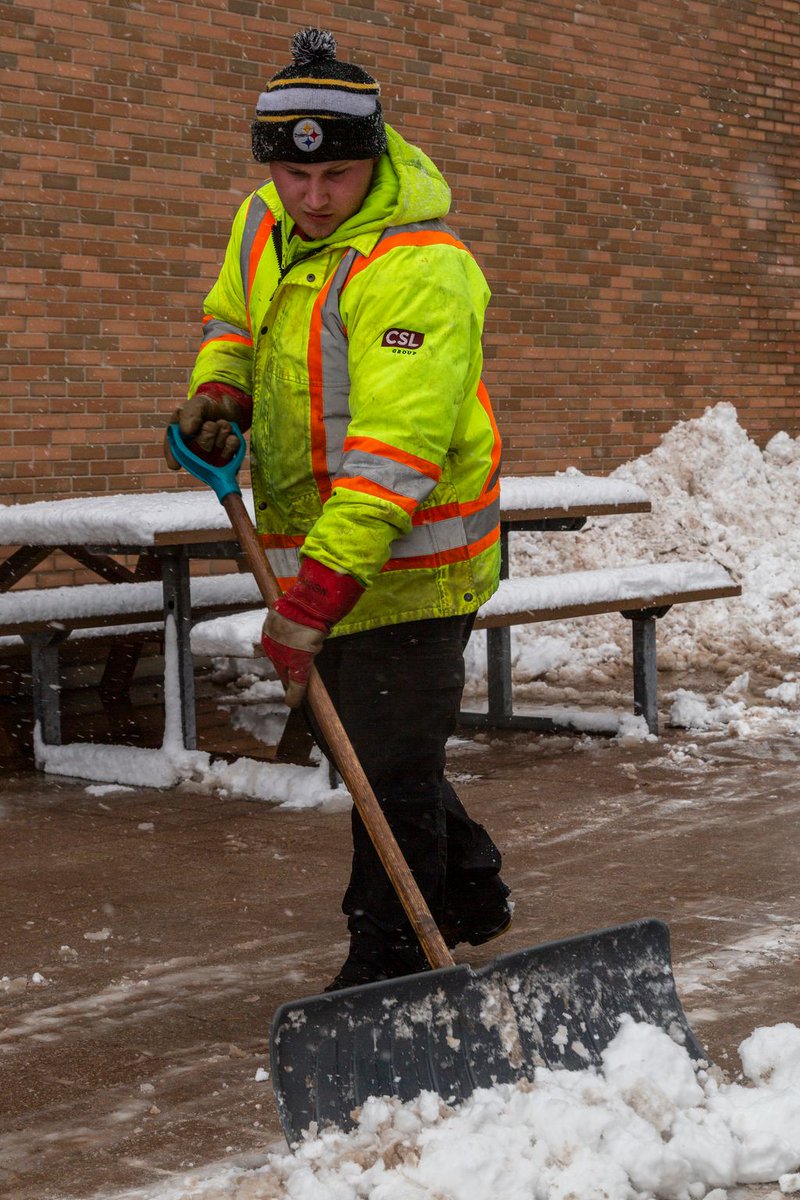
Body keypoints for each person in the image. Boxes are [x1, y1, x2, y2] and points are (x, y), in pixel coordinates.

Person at [165, 27, 511, 991]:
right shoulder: (262, 222)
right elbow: (234, 323)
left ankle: (385, 967)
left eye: (339, 177)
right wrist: (220, 400)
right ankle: (469, 885)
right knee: (364, 742)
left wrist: (312, 598)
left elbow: (398, 455)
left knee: (387, 769)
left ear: (379, 157)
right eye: (293, 177)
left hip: (416, 561)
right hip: (317, 550)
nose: (314, 200)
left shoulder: (420, 267)